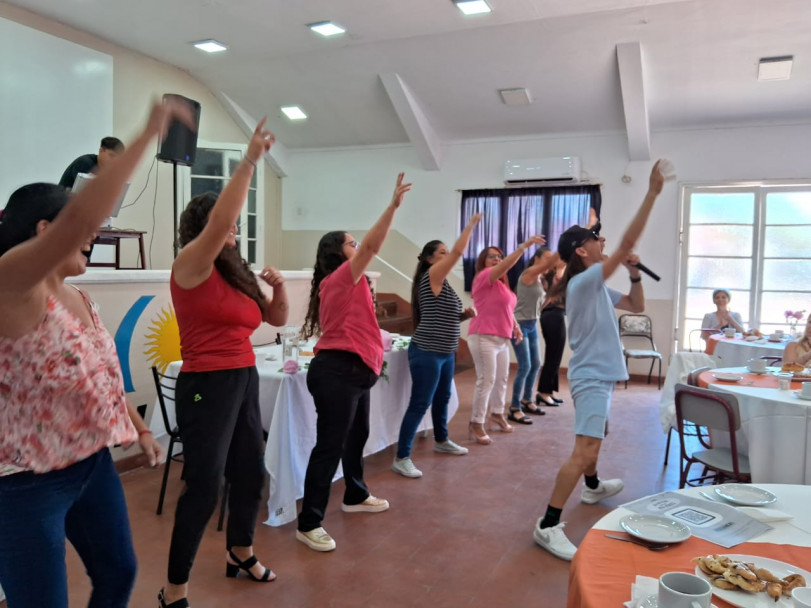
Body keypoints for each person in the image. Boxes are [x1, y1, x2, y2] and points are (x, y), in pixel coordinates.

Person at [0, 100, 184, 608]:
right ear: (45, 232)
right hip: (24, 484)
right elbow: (82, 213)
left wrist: (142, 429)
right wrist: (147, 135)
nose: (95, 235)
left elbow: (103, 375)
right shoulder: (12, 288)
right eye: (81, 228)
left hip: (90, 465)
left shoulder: (80, 297)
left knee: (119, 572)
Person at [161, 119, 287, 608]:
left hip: (242, 375)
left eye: (233, 222)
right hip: (205, 384)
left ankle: (240, 551)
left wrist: (277, 289)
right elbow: (219, 223)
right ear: (205, 227)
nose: (234, 226)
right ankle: (174, 588)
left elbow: (274, 317)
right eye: (226, 221)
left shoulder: (235, 273)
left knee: (250, 472)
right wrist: (251, 160)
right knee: (204, 486)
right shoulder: (190, 265)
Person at [532, 161, 666, 561]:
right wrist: (652, 193)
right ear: (581, 249)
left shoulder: (594, 286)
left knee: (596, 436)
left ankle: (591, 486)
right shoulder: (582, 281)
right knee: (585, 448)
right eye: (596, 238)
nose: (603, 241)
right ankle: (548, 524)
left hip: (601, 374)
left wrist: (636, 274)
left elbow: (635, 304)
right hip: (592, 376)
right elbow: (623, 243)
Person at [296, 173, 411, 552]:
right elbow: (374, 245)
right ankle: (308, 522)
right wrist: (392, 207)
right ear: (338, 252)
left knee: (356, 436)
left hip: (356, 372)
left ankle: (355, 495)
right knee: (329, 446)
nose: (357, 245)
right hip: (338, 372)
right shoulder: (341, 278)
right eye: (351, 242)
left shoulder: (350, 280)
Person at [391, 214, 481, 479]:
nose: (447, 255)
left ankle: (442, 441)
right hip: (427, 351)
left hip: (446, 351)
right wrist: (471, 226)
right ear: (430, 259)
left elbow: (446, 315)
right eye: (441, 252)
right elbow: (458, 251)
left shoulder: (444, 284)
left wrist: (464, 315)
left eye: (446, 252)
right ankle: (401, 457)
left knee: (442, 398)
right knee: (420, 403)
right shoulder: (431, 275)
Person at [467, 236, 545, 445]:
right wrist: (524, 247)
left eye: (499, 256)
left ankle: (497, 413)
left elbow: (507, 311)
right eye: (491, 256)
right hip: (483, 335)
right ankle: (476, 423)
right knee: (486, 380)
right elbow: (508, 264)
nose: (497, 259)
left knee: (501, 379)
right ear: (483, 261)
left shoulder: (502, 286)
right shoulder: (483, 277)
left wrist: (516, 328)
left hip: (502, 338)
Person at [508, 247, 559, 423]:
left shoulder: (539, 279)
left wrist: (548, 298)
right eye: (547, 258)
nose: (550, 262)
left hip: (531, 324)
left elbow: (538, 307)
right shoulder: (529, 273)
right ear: (536, 258)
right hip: (519, 325)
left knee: (535, 364)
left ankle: (527, 400)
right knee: (525, 366)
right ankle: (514, 407)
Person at [536, 255, 568, 407]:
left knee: (555, 355)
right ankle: (543, 392)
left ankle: (549, 391)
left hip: (556, 315)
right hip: (552, 315)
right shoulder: (552, 275)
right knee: (553, 356)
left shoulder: (561, 272)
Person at [59, 136, 126, 189]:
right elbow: (86, 195)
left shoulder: (108, 170)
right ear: (101, 151)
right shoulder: (84, 163)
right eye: (112, 155)